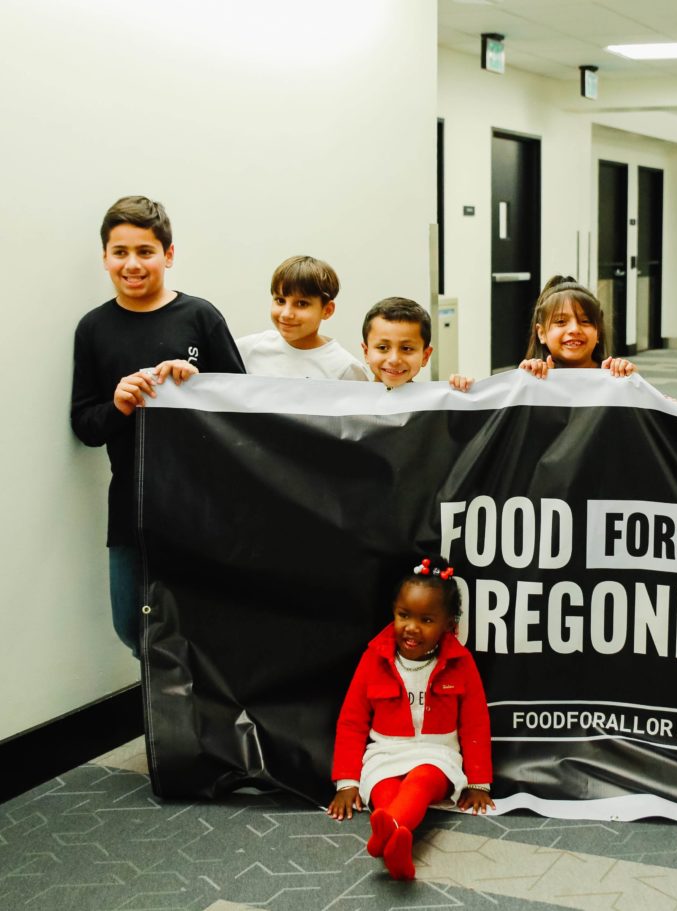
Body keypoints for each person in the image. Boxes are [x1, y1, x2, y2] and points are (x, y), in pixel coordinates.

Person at [70, 195, 245, 656]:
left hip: (200, 503)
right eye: (120, 252)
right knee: (132, 625)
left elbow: (244, 410)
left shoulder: (200, 317)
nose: (132, 264)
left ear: (168, 255)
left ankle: (199, 700)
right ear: (104, 258)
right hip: (132, 503)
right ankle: (163, 699)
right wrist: (118, 405)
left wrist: (197, 384)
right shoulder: (93, 328)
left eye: (145, 251)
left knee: (202, 621)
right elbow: (85, 426)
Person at [328, 557, 493, 880]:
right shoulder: (373, 658)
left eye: (426, 619)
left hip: (437, 754)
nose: (412, 627)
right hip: (384, 752)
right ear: (393, 611)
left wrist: (478, 782)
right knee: (384, 790)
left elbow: (475, 723)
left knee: (421, 781)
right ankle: (396, 845)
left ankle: (385, 833)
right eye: (404, 615)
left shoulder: (460, 662)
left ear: (448, 624)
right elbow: (351, 722)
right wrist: (347, 782)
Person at [236, 255, 368, 380]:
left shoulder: (346, 369)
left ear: (327, 310)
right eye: (280, 301)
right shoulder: (247, 349)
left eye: (302, 304)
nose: (286, 314)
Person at [517, 276, 635, 378]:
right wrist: (526, 377)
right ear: (541, 333)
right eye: (561, 321)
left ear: (598, 331)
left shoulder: (614, 374)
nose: (575, 329)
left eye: (585, 321)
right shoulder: (532, 377)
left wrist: (625, 376)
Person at [361, 297, 474, 391]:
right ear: (366, 352)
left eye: (406, 348)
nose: (394, 360)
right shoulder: (354, 401)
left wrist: (461, 391)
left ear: (425, 356)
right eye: (382, 347)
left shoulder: (437, 400)